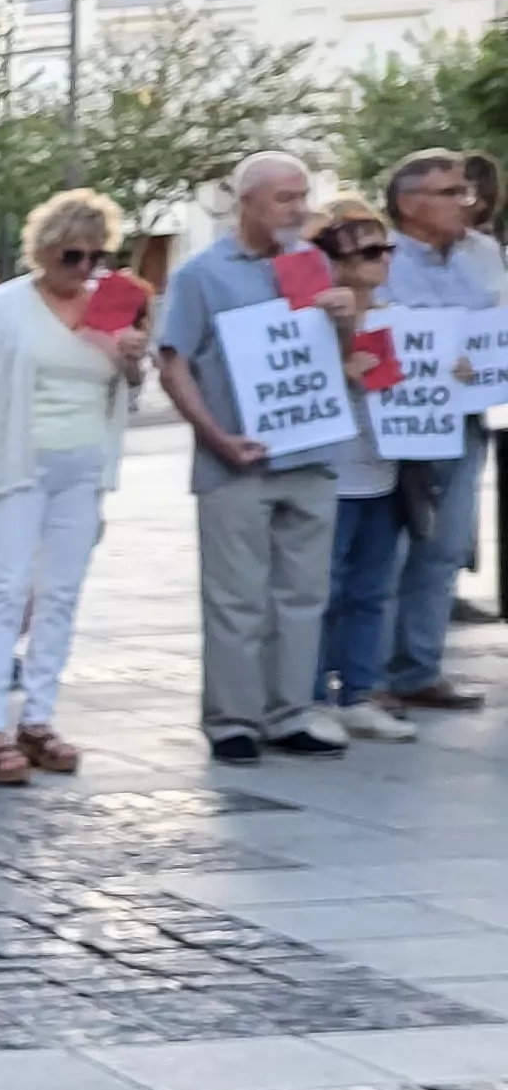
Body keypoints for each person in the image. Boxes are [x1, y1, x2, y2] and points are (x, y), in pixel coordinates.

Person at [0, 187, 144, 786]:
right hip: (14, 463)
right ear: (45, 252)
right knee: (5, 591)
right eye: (70, 257)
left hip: (82, 467)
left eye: (94, 257)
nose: (83, 269)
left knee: (62, 592)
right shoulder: (2, 308)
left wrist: (130, 359)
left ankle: (40, 716)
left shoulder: (112, 305)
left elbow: (125, 392)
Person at [157, 152, 356, 764]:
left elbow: (332, 357)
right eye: (284, 198)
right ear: (246, 202)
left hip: (311, 452)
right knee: (237, 595)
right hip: (236, 461)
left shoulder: (312, 264)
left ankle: (289, 710)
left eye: (302, 196)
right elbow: (173, 362)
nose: (297, 209)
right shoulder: (202, 275)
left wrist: (347, 320)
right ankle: (233, 720)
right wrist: (215, 435)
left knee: (302, 593)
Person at [378, 148, 499, 713]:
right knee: (392, 548)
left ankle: (420, 669)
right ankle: (370, 674)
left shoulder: (482, 252)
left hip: (468, 419)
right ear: (409, 204)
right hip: (404, 424)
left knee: (447, 546)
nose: (465, 202)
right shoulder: (380, 255)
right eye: (451, 193)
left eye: (465, 192)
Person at [309, 197, 420, 744]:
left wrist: (458, 374)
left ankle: (359, 693)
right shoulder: (312, 319)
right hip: (329, 475)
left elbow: (424, 384)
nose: (383, 259)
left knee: (373, 590)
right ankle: (311, 697)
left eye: (386, 248)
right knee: (321, 591)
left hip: (386, 473)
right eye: (368, 251)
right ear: (333, 260)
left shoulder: (403, 317)